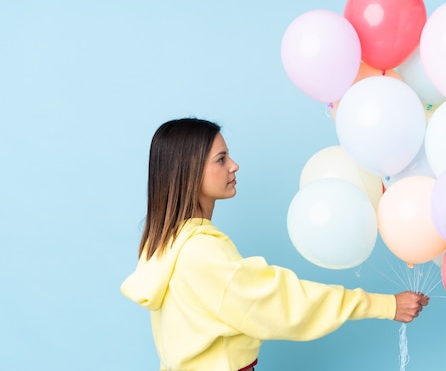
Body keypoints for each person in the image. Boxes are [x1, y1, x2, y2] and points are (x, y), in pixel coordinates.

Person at [121, 117, 429, 371]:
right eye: (221, 159)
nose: (234, 166)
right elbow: (283, 300)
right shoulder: (200, 251)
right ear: (189, 170)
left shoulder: (164, 244)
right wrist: (385, 305)